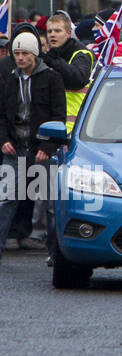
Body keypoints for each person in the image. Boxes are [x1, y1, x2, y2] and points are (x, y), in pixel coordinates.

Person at [0, 32, 67, 260]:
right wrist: (4, 141)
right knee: (7, 198)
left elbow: (59, 116)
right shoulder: (9, 80)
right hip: (15, 148)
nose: (19, 58)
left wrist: (47, 148)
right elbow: (1, 116)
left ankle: (55, 253)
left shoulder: (52, 78)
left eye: (24, 53)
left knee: (50, 204)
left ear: (34, 54)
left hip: (43, 150)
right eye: (16, 53)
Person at [42, 12, 94, 132]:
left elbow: (78, 79)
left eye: (57, 31)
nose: (52, 35)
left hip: (75, 128)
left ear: (69, 33)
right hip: (51, 125)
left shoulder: (81, 54)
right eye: (49, 31)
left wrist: (55, 62)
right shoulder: (49, 57)